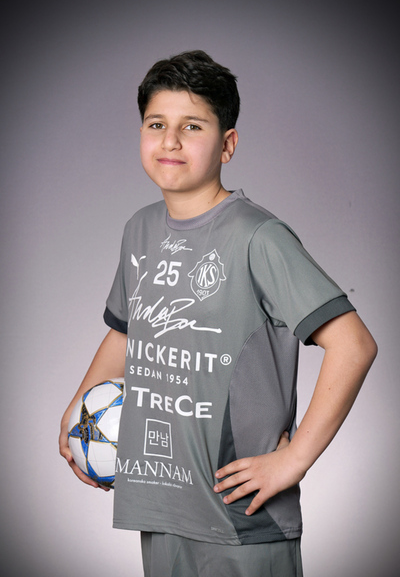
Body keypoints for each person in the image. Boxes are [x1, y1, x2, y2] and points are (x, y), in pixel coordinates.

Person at [59, 50, 377, 577]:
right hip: (161, 507)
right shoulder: (139, 229)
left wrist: (293, 459)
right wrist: (76, 415)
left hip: (241, 520)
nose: (170, 141)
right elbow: (126, 333)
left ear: (227, 144)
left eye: (192, 126)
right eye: (156, 124)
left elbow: (354, 344)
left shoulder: (258, 237)